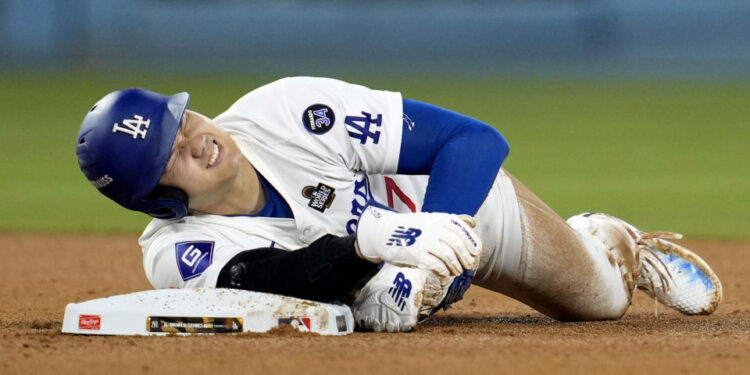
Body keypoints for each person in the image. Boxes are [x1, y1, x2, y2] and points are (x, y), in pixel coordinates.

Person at [76, 77, 722, 332]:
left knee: (601, 303)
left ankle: (605, 239)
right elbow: (280, 280)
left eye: (182, 120)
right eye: (173, 153)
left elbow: (473, 140)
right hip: (378, 265)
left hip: (462, 208)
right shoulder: (175, 254)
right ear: (160, 200)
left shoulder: (287, 110)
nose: (200, 139)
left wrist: (427, 249)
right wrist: (370, 250)